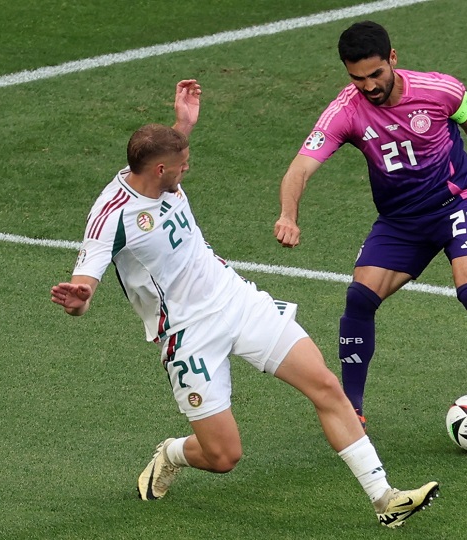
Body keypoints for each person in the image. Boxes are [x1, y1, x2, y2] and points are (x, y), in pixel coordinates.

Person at [50, 79, 438, 528]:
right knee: (223, 456)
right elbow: (83, 290)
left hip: (236, 299)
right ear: (159, 170)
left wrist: (182, 125)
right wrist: (77, 301)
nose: (186, 171)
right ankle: (172, 453)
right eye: (182, 166)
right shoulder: (110, 217)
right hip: (187, 335)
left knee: (326, 387)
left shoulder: (156, 170)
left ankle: (385, 499)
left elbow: (166, 155)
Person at [274, 21, 467, 436]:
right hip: (401, 222)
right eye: (357, 78)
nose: (368, 86)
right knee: (359, 299)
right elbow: (301, 167)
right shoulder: (346, 111)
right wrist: (288, 215)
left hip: (458, 202)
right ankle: (352, 410)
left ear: (393, 58)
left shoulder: (440, 90)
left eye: (375, 74)